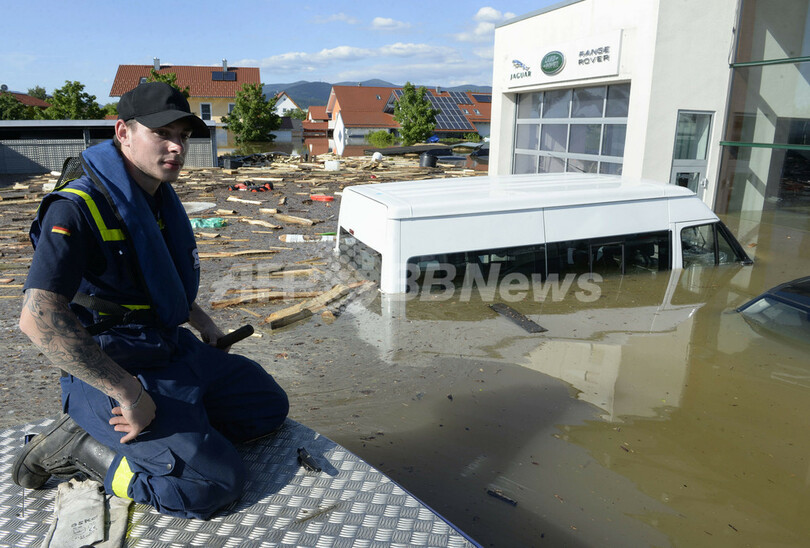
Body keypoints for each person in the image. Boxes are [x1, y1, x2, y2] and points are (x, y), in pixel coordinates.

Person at [12, 82, 289, 520]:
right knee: (211, 485)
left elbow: (159, 278)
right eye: (162, 133)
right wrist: (128, 392)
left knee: (267, 408)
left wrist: (203, 323)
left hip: (168, 347)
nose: (176, 146)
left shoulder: (154, 198)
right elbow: (37, 318)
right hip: (114, 364)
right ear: (122, 132)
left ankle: (176, 432)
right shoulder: (76, 209)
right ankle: (87, 451)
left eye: (183, 136)